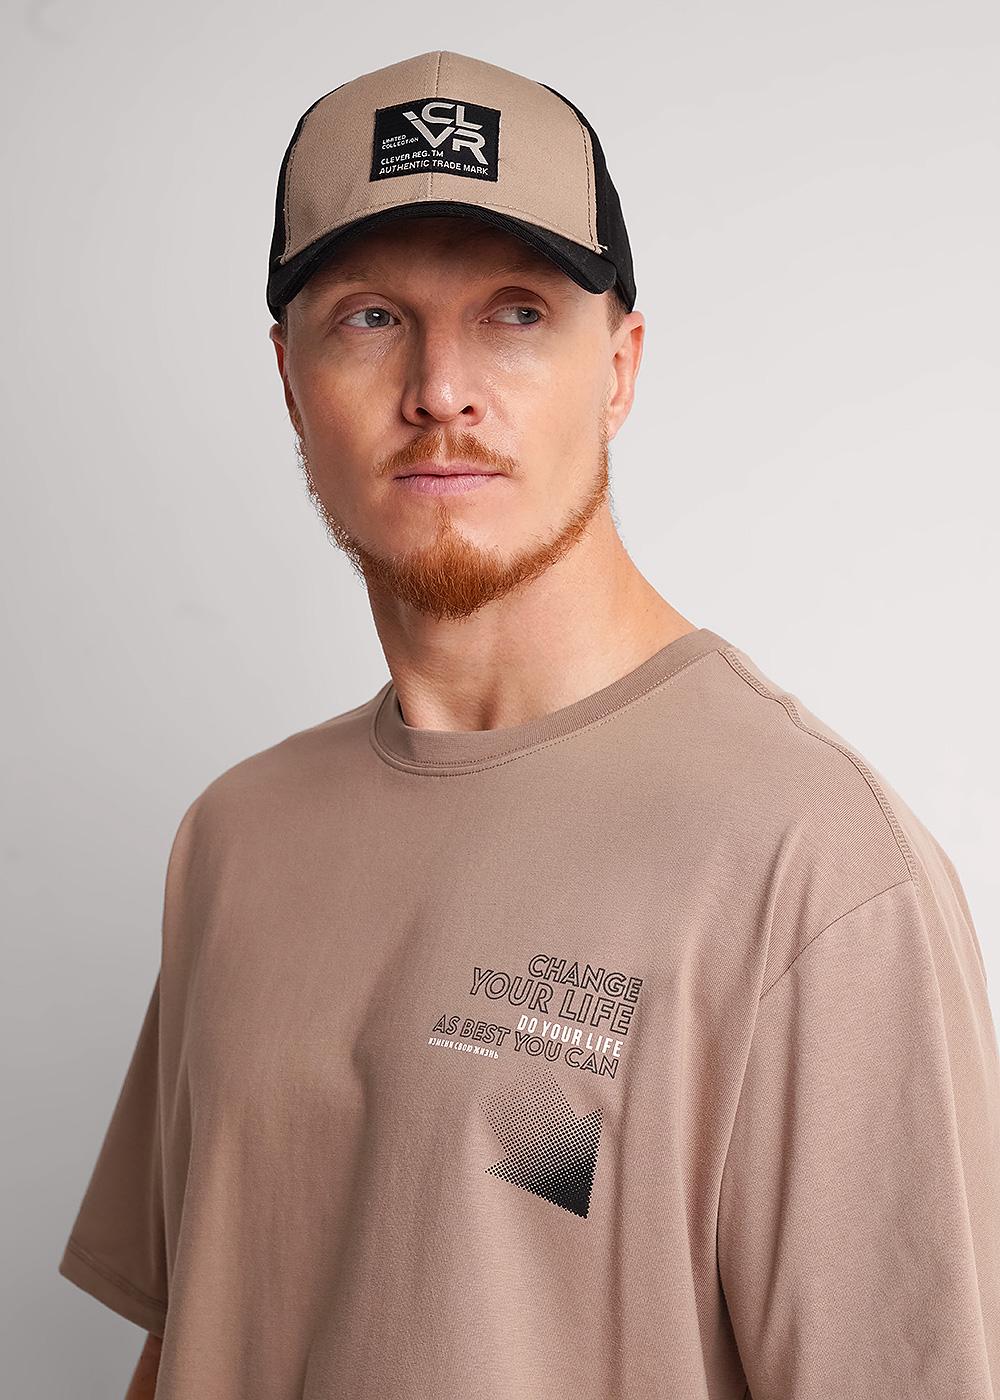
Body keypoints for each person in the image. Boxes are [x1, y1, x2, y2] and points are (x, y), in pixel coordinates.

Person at [58, 49, 1000, 1400]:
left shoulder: (814, 870)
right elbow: (194, 1332)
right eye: (371, 317)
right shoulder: (235, 838)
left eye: (515, 311)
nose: (441, 387)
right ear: (287, 378)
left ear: (619, 368)